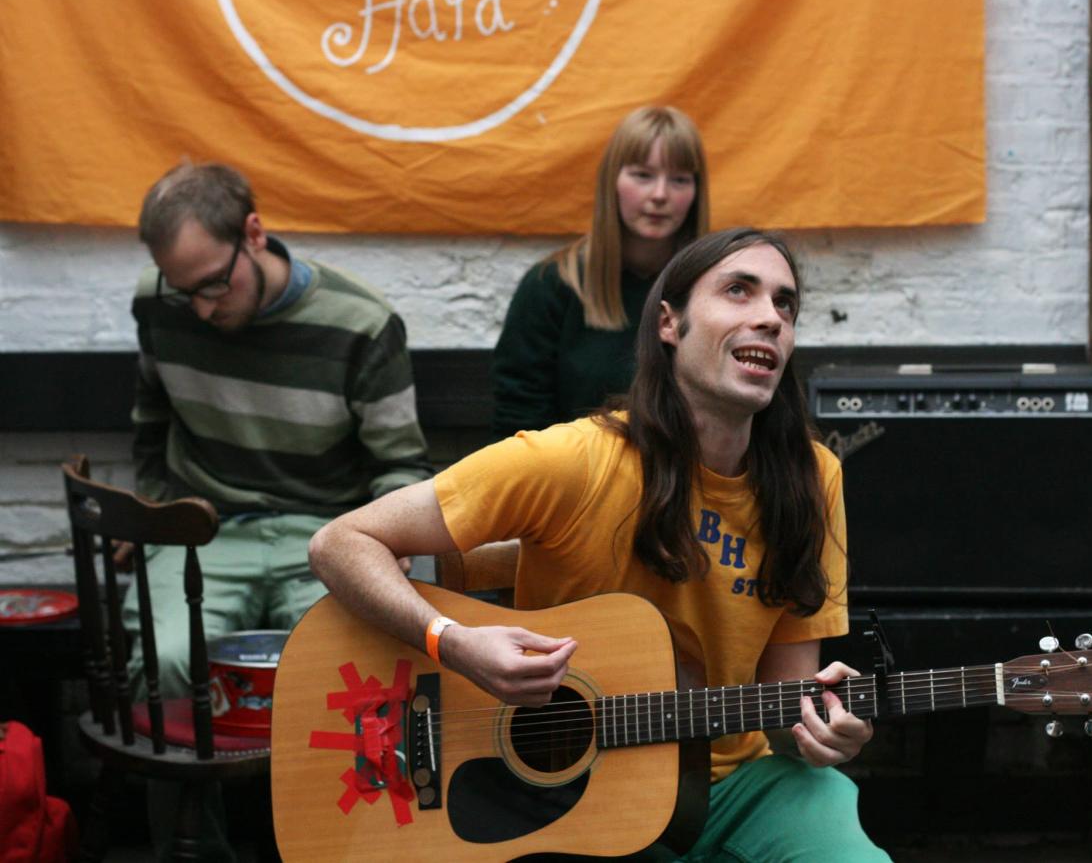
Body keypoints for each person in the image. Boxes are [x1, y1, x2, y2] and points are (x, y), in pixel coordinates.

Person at [310, 227, 889, 861]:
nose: (770, 319)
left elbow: (784, 706)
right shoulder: (574, 461)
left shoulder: (812, 479)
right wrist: (452, 643)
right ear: (670, 324)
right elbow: (341, 542)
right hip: (559, 798)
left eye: (785, 304)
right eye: (738, 291)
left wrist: (823, 730)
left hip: (733, 784)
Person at [128, 161, 432, 861]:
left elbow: (400, 468)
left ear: (255, 234)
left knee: (351, 674)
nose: (201, 307)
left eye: (213, 283)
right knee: (167, 658)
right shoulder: (160, 302)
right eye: (184, 289)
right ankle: (193, 850)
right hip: (206, 526)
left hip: (324, 533)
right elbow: (149, 419)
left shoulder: (362, 322)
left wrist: (392, 541)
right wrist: (154, 503)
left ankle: (341, 849)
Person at [491, 104, 710, 438]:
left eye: (679, 179)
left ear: (696, 193)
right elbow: (519, 423)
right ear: (613, 181)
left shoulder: (714, 287)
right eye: (643, 175)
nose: (661, 194)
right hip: (575, 481)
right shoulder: (551, 286)